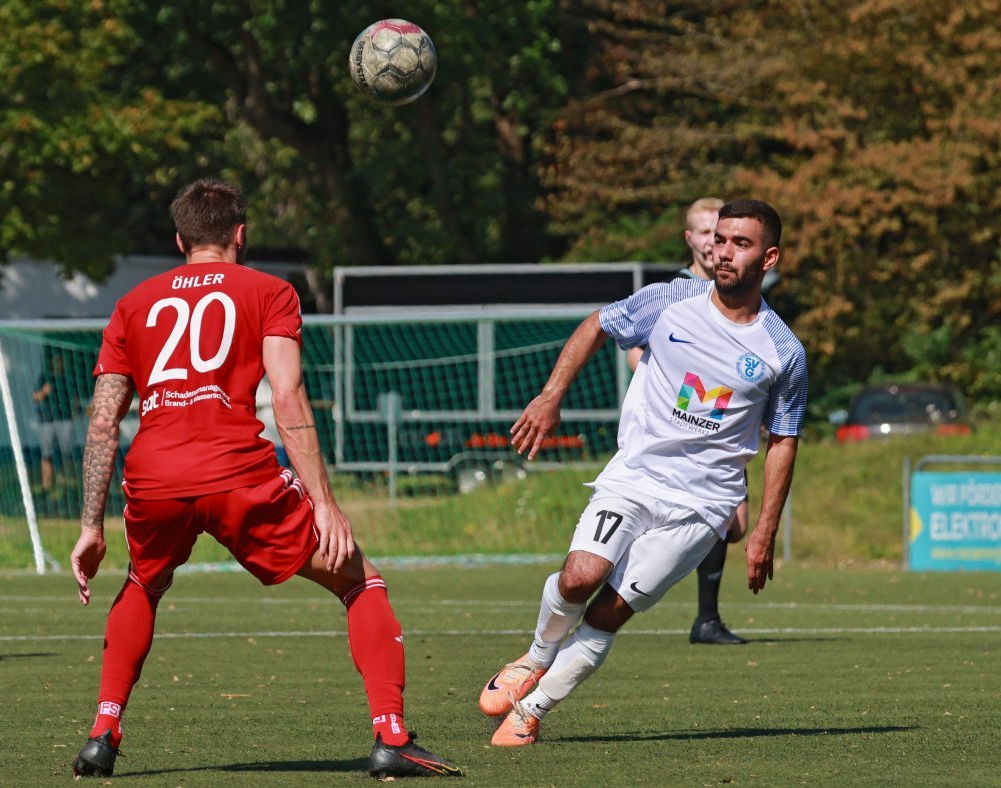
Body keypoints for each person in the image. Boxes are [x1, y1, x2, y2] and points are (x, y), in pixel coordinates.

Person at [69, 179, 462, 779]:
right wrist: (326, 505)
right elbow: (287, 396)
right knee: (361, 580)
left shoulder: (133, 303)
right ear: (241, 234)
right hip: (236, 474)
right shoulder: (271, 290)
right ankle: (392, 736)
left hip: (154, 478)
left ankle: (102, 732)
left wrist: (89, 526)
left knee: (143, 584)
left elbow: (102, 424)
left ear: (180, 239)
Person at [479, 199, 806, 747]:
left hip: (703, 506)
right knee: (580, 577)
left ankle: (532, 709)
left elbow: (784, 439)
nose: (723, 252)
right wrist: (551, 395)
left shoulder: (783, 351)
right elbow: (596, 325)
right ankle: (535, 658)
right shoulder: (670, 300)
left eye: (740, 244)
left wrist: (765, 530)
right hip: (635, 476)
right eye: (720, 240)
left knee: (610, 611)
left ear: (769, 256)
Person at [628, 197, 750, 645]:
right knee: (718, 518)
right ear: (690, 239)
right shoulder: (673, 291)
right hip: (678, 424)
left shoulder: (738, 289)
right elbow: (632, 350)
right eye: (704, 233)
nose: (712, 243)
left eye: (719, 234)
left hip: (724, 424)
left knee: (735, 528)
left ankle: (701, 611)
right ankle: (706, 620)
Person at [32, 351, 77, 493]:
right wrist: (44, 392)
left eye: (61, 361)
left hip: (64, 421)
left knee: (66, 453)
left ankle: (67, 482)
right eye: (56, 361)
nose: (58, 364)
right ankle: (46, 485)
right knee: (46, 454)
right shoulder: (44, 378)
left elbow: (75, 399)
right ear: (51, 363)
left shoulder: (68, 379)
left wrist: (73, 415)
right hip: (46, 421)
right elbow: (35, 397)